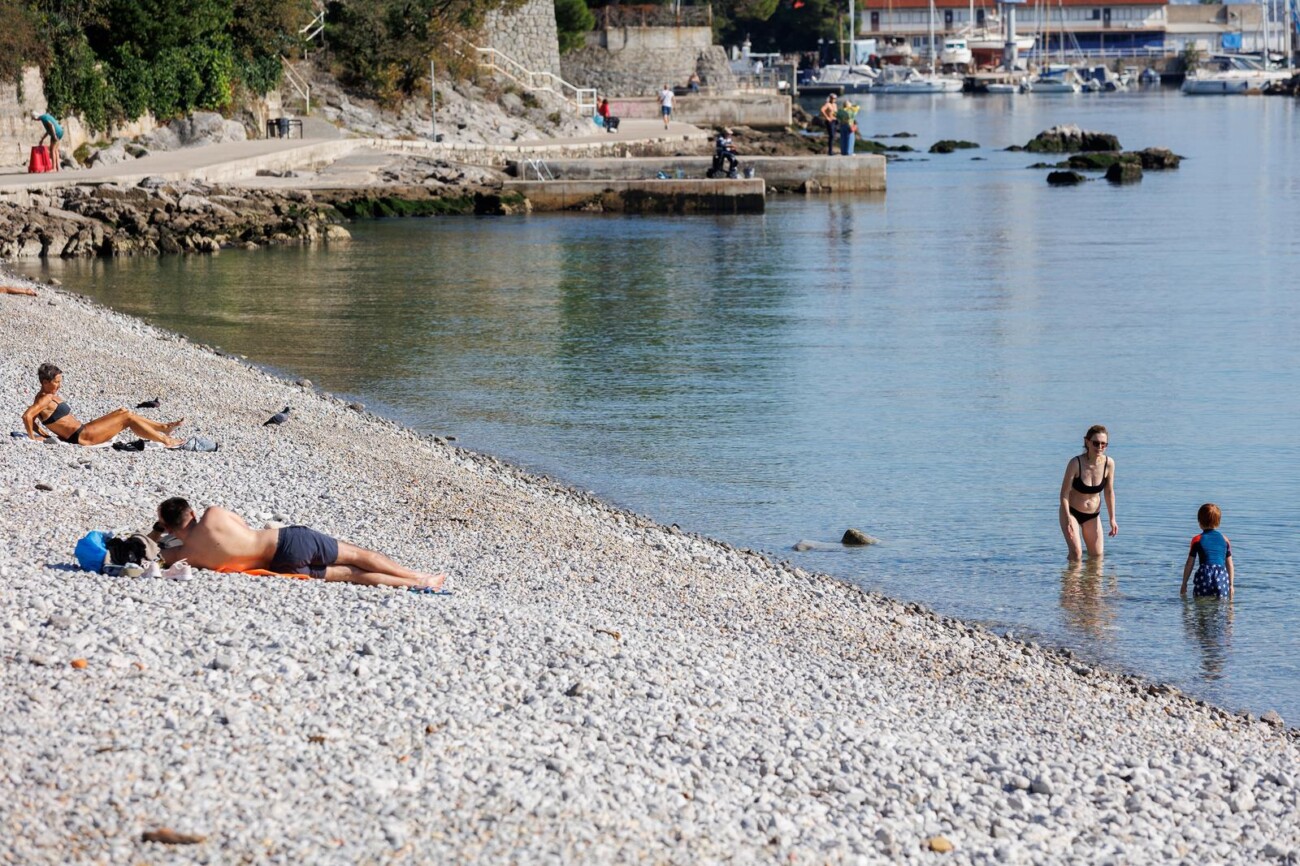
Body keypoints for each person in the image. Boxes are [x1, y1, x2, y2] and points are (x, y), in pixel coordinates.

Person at [155, 497, 446, 590]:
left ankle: (416, 585)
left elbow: (153, 549)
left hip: (280, 568)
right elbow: (243, 526)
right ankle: (418, 576)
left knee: (352, 575)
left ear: (168, 527)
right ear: (192, 513)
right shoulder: (213, 515)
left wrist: (159, 532)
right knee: (359, 555)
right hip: (287, 541)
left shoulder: (185, 555)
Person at [22, 363, 185, 447]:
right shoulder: (44, 399)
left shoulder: (46, 396)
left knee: (123, 411)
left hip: (83, 429)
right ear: (45, 382)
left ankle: (163, 428)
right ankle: (166, 440)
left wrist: (44, 434)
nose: (59, 385)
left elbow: (34, 419)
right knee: (127, 418)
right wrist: (33, 438)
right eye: (56, 382)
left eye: (60, 381)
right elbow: (27, 416)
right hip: (83, 437)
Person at [1058, 424, 1117, 561]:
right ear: (1087, 442)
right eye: (1096, 443)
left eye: (1103, 444)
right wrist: (1067, 518)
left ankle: (1087, 576)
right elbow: (1064, 494)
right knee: (1076, 554)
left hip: (1092, 515)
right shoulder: (1075, 463)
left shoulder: (1109, 463)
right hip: (1071, 512)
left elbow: (1109, 492)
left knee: (1097, 557)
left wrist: (1112, 519)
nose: (1100, 447)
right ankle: (1070, 575)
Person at [1182, 503, 1234, 598]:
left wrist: (1184, 583)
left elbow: (1190, 563)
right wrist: (1231, 585)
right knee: (1221, 604)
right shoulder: (1225, 540)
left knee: (1200, 604)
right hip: (1221, 576)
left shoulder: (1197, 539)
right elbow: (1229, 564)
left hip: (1204, 575)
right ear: (1218, 522)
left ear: (1199, 521)